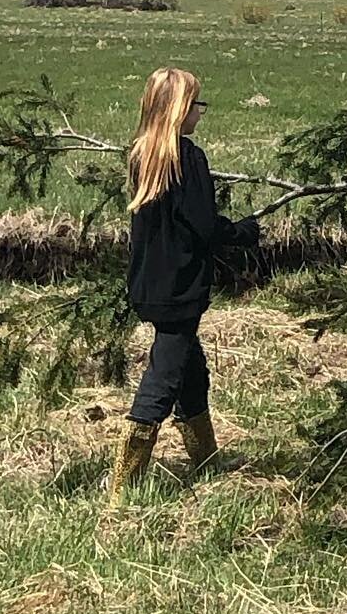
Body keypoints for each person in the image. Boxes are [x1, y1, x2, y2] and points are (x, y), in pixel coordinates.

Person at [108, 67, 261, 504]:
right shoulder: (187, 157)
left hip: (149, 285)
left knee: (191, 371)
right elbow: (205, 226)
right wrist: (244, 232)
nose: (201, 112)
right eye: (197, 103)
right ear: (178, 110)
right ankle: (124, 485)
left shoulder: (143, 154)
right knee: (163, 378)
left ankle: (206, 461)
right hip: (181, 290)